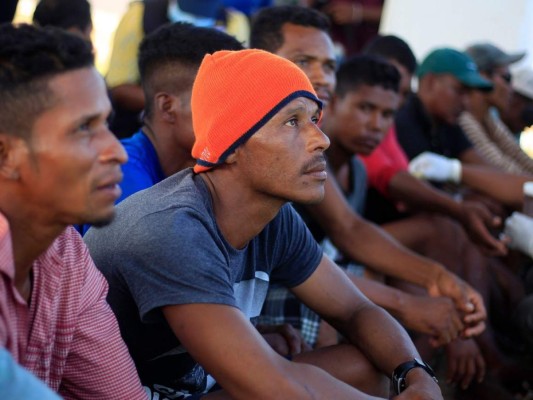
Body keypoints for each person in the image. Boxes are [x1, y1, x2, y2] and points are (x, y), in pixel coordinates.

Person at [85, 48, 443, 400]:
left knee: (371, 370)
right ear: (232, 145)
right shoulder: (170, 229)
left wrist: (416, 374)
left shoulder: (274, 217)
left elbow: (355, 310)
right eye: (292, 122)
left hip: (212, 388)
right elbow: (271, 386)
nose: (322, 140)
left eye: (314, 120)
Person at [0, 24, 146, 399]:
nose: (117, 151)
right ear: (5, 155)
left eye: (106, 124)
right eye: (84, 129)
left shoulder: (65, 252)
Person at [77, 22, 244, 235]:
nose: (237, 114)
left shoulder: (188, 175)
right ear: (167, 107)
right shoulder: (123, 179)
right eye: (221, 99)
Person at [105, 0, 249, 138]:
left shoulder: (233, 22)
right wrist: (183, 105)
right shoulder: (141, 15)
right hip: (135, 127)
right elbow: (118, 87)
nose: (195, 20)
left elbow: (235, 90)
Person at [457, 43, 533, 175]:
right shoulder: (463, 119)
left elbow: (517, 156)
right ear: (482, 76)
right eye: (507, 78)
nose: (511, 89)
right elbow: (503, 173)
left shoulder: (487, 118)